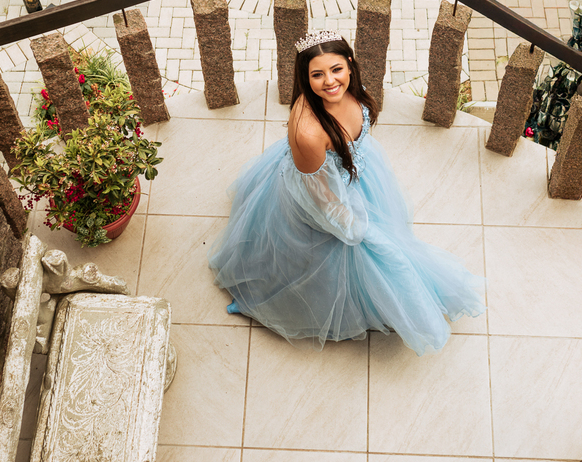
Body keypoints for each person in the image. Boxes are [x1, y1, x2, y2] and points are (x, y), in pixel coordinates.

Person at [208, 30, 486, 355]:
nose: (329, 81)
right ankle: (260, 299)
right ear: (305, 77)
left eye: (336, 69)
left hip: (355, 173)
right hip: (326, 196)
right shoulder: (309, 133)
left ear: (350, 65)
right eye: (317, 74)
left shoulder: (352, 90)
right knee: (357, 257)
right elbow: (319, 196)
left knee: (390, 245)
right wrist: (354, 228)